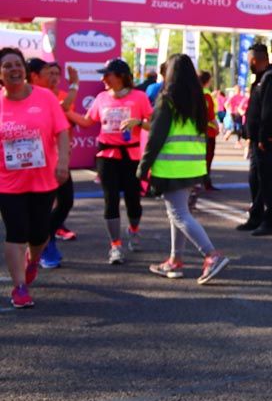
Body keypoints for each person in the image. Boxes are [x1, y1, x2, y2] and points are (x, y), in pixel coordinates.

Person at [140, 54, 229, 284]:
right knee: (178, 214)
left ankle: (211, 255)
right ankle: (175, 261)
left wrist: (143, 167)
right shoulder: (200, 99)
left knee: (178, 214)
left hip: (171, 167)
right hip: (193, 165)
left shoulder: (167, 100)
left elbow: (156, 137)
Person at [0, 48, 70, 308]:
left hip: (43, 179)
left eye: (17, 64)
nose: (13, 69)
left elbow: (62, 131)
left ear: (25, 70)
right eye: (7, 66)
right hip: (7, 181)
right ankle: (19, 286)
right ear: (0, 73)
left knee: (39, 233)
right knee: (16, 232)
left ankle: (33, 261)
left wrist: (63, 162)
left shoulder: (45, 98)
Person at [68, 58, 152, 264]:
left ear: (121, 77)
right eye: (102, 74)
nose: (103, 78)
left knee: (133, 199)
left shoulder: (139, 97)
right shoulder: (101, 98)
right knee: (110, 199)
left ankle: (133, 230)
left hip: (131, 156)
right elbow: (87, 122)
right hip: (106, 156)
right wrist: (65, 111)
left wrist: (139, 123)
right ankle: (115, 246)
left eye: (107, 74)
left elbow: (153, 124)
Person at [27, 59, 80, 267]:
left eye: (57, 74)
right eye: (50, 73)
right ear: (34, 76)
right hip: (29, 165)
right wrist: (75, 83)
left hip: (55, 160)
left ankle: (45, 238)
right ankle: (37, 249)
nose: (55, 78)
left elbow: (64, 109)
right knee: (34, 210)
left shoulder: (53, 96)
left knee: (65, 201)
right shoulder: (19, 96)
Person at [236, 43, 272, 237]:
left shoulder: (271, 79)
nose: (249, 64)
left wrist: (264, 137)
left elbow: (270, 112)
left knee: (270, 182)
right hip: (258, 141)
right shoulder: (260, 79)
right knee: (256, 180)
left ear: (255, 60)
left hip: (269, 141)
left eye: (250, 60)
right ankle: (256, 216)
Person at [199, 70, 219, 191]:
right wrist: (216, 127)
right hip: (208, 131)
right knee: (207, 158)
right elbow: (210, 115)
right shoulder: (206, 95)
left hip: (198, 130)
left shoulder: (192, 93)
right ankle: (206, 182)